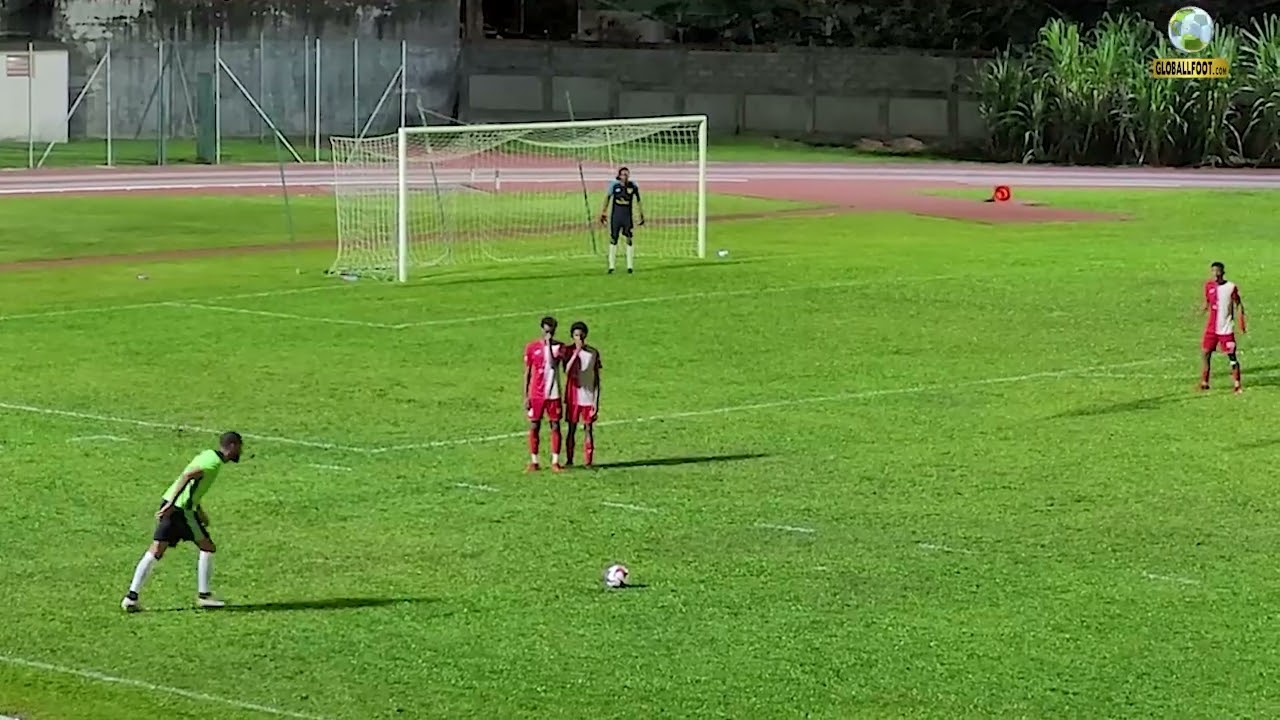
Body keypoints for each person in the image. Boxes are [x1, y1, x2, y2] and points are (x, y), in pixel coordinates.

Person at [121, 431, 243, 613]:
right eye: (239, 447)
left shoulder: (207, 454)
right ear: (232, 446)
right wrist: (172, 505)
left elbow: (192, 487)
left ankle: (131, 597)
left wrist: (198, 510)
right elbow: (187, 477)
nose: (240, 452)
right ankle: (204, 596)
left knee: (156, 549)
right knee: (207, 547)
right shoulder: (213, 463)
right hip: (181, 510)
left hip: (175, 505)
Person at [524, 316, 568, 471]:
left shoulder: (560, 347)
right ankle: (534, 461)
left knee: (555, 425)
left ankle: (555, 461)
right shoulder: (531, 347)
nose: (548, 333)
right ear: (542, 329)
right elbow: (528, 372)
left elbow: (554, 363)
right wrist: (526, 395)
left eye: (551, 331)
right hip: (536, 394)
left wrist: (548, 346)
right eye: (546, 330)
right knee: (534, 425)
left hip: (553, 393)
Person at [1201, 261, 1247, 393]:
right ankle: (1205, 382)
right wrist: (1199, 311)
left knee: (1231, 356)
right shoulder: (1209, 286)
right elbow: (1207, 302)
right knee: (1205, 353)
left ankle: (1237, 384)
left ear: (1223, 272)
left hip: (1225, 328)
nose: (1215, 274)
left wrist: (1241, 322)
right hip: (1211, 328)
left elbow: (1238, 303)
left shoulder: (1231, 287)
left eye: (1218, 271)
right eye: (1213, 271)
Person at [563, 321, 603, 468]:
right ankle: (569, 460)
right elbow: (566, 371)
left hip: (588, 397)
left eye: (581, 335)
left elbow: (597, 378)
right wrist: (576, 353)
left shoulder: (593, 353)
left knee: (588, 428)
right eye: (576, 335)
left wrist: (596, 401)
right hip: (573, 397)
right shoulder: (568, 351)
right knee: (571, 429)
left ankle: (588, 461)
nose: (579, 338)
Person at [599, 166, 644, 274]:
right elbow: (607, 198)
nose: (625, 176)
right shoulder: (614, 186)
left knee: (629, 238)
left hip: (627, 217)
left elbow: (638, 201)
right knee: (613, 239)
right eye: (623, 174)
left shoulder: (633, 186)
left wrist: (641, 214)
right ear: (619, 176)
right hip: (616, 217)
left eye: (627, 174)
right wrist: (603, 212)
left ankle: (630, 266)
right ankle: (611, 266)